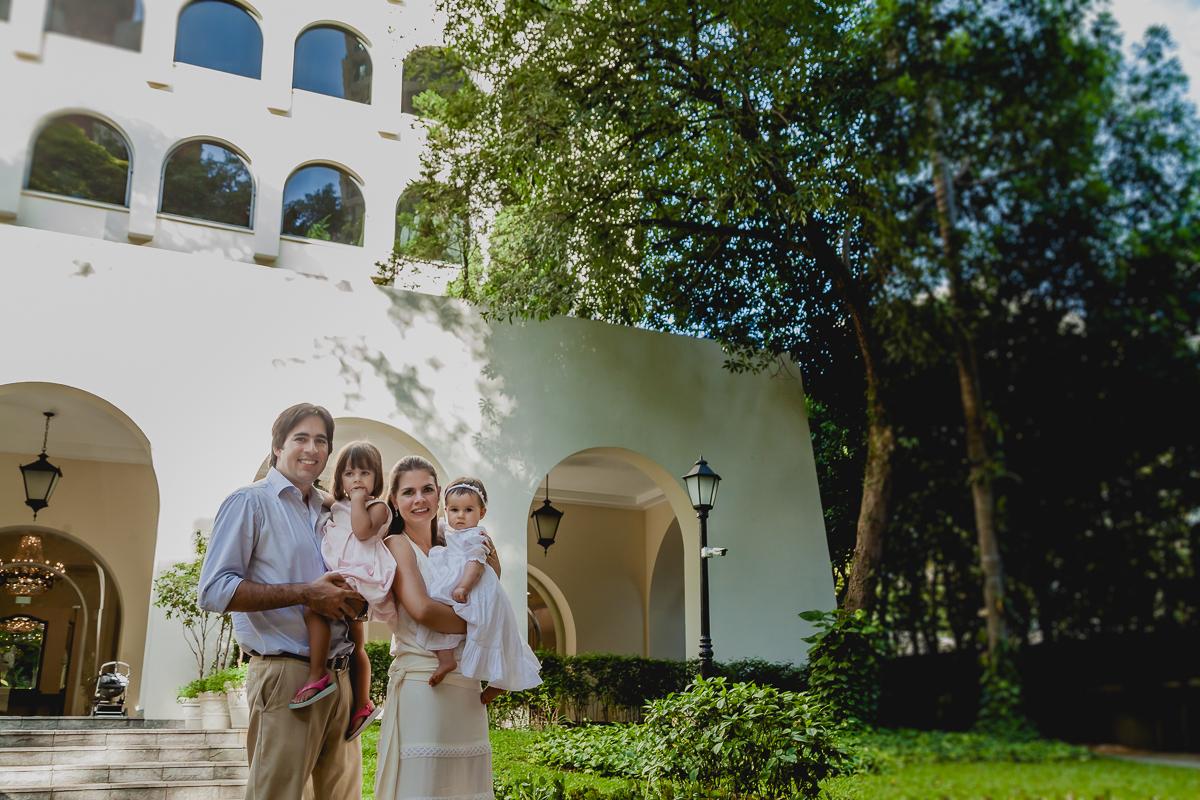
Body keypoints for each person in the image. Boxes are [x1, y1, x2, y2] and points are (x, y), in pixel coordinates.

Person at [198, 404, 365, 800]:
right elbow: (214, 590)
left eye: (321, 441)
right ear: (277, 446)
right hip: (287, 676)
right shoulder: (249, 502)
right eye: (300, 439)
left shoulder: (329, 511)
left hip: (342, 679)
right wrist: (306, 593)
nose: (312, 449)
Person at [373, 456, 501, 800]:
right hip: (424, 683)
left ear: (440, 494)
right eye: (408, 492)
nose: (419, 499)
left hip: (468, 687)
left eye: (427, 489)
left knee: (464, 789)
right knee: (424, 787)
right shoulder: (397, 543)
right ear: (394, 501)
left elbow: (492, 582)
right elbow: (422, 610)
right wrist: (480, 620)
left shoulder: (456, 538)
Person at [292, 440, 393, 740]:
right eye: (350, 474)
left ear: (377, 478)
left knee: (315, 609)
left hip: (358, 576)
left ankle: (317, 675)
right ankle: (363, 704)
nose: (358, 480)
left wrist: (358, 499)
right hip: (342, 574)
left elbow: (362, 530)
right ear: (339, 481)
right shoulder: (337, 505)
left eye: (365, 473)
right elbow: (314, 495)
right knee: (355, 641)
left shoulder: (378, 508)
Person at [416, 477, 542, 698]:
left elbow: (475, 564)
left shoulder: (476, 536)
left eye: (468, 510)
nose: (461, 515)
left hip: (479, 590)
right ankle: (446, 660)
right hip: (461, 584)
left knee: (489, 634)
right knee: (443, 612)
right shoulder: (450, 531)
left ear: (481, 513)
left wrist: (463, 587)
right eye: (454, 510)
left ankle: (500, 681)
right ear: (446, 511)